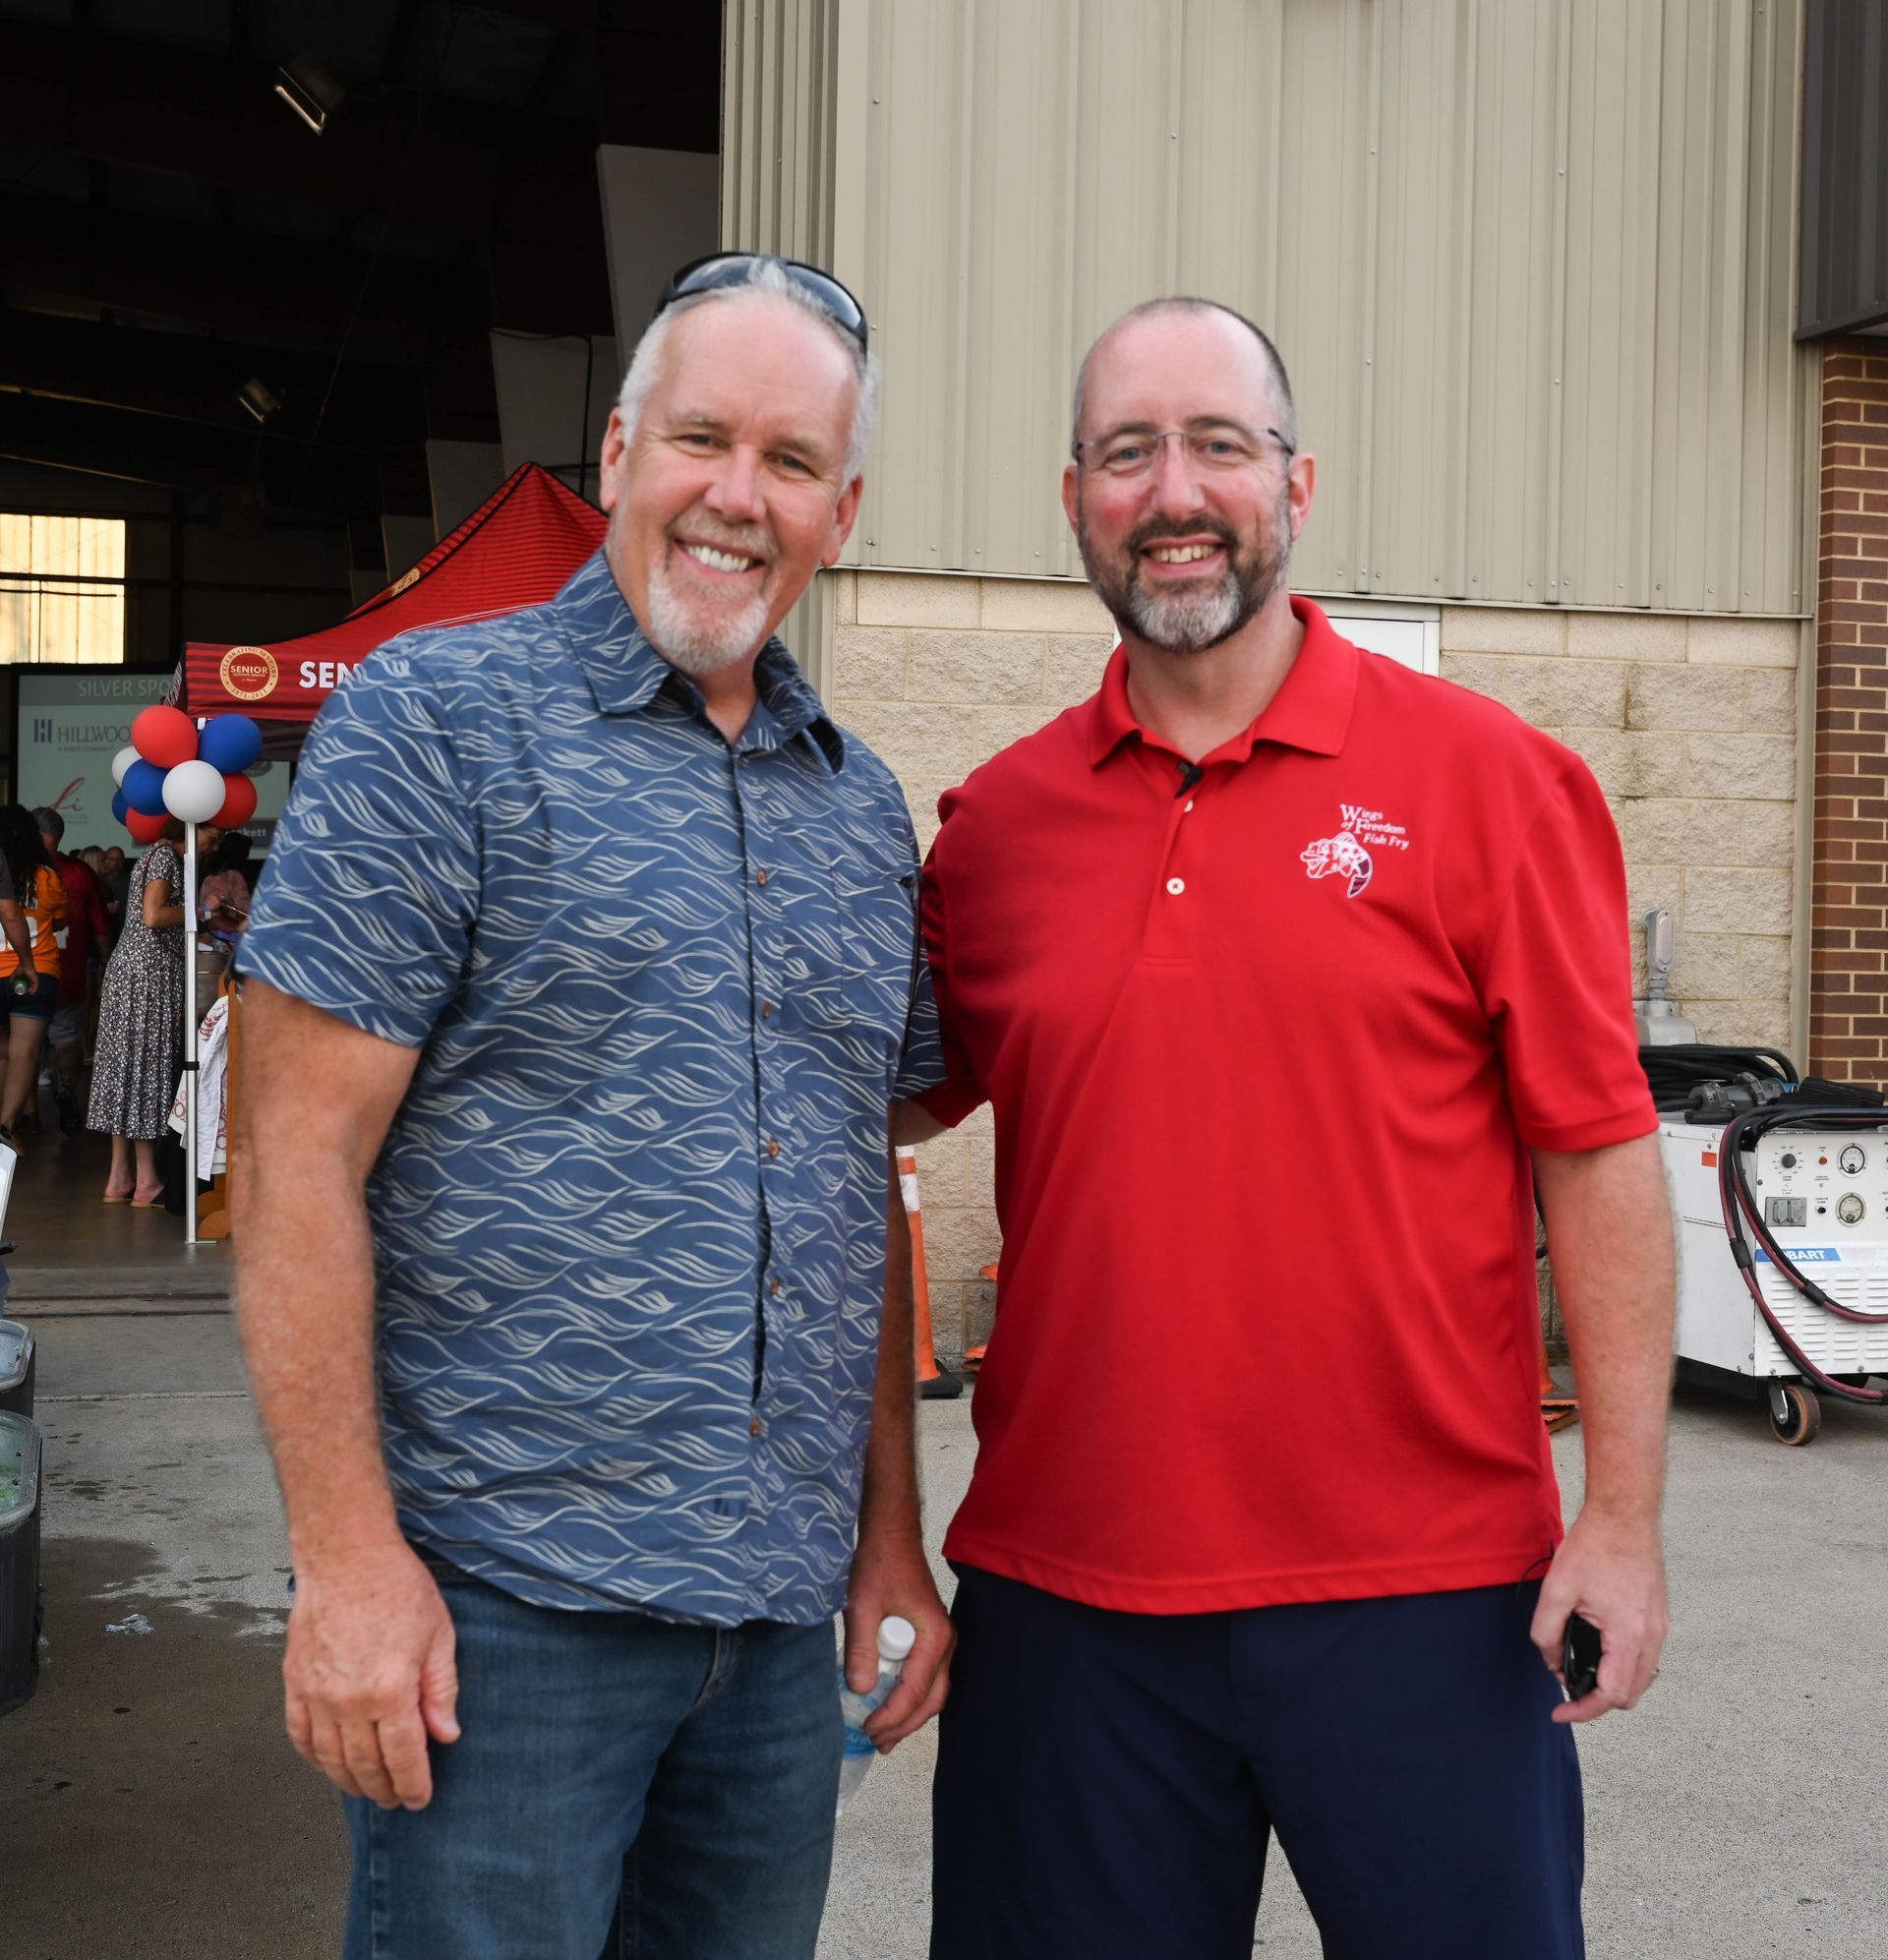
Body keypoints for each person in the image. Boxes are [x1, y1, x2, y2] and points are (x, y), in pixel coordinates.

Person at [903, 298, 1675, 1960]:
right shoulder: (996, 831)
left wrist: (1621, 1514)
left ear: (1297, 483)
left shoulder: (1492, 781)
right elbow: (848, 1120)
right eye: (1129, 451)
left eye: (1218, 444)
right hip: (1070, 1608)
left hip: (1430, 1597)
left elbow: (1600, 1152)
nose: (1174, 488)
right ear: (1074, 497)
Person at [231, 253, 951, 1960]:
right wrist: (346, 1563)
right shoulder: (436, 723)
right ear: (618, 453)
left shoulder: (859, 811)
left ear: (840, 514)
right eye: (703, 437)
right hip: (503, 1622)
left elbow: (855, 1190)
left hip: (774, 1644)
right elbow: (292, 1158)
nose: (736, 494)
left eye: (790, 462)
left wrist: (889, 1542)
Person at [88, 819, 190, 1205]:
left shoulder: (149, 855)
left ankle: (120, 1177)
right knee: (145, 1070)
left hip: (127, 973)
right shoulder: (165, 857)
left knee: (124, 1073)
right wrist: (199, 913)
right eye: (213, 836)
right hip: (148, 978)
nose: (214, 845)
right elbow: (154, 915)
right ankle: (146, 1179)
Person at [33, 808, 110, 1135]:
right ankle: (66, 1091)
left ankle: (27, 1112)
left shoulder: (20, 871)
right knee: (67, 1040)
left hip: (26, 972)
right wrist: (107, 961)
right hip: (71, 973)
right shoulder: (80, 871)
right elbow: (100, 925)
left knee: (25, 1044)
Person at [0, 804, 65, 1154]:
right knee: (25, 1053)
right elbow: (60, 920)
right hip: (36, 970)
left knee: (2, 1053)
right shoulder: (47, 875)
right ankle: (6, 1126)